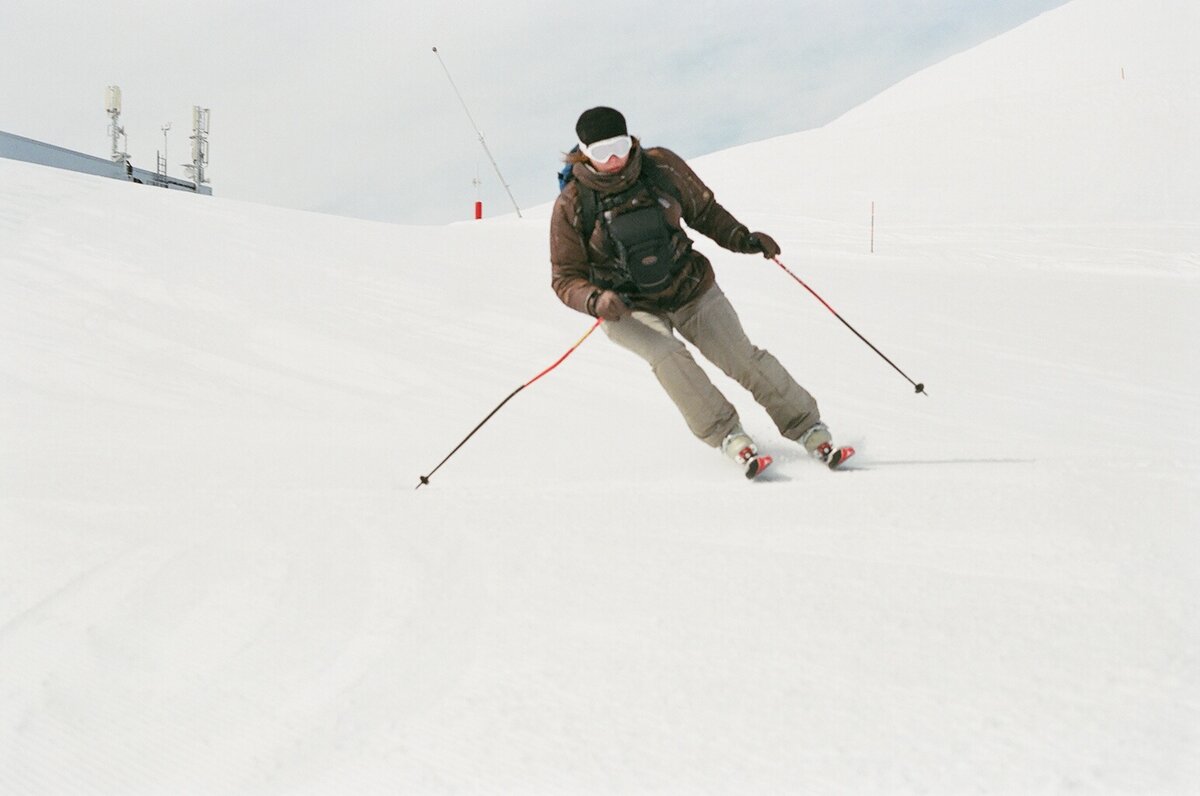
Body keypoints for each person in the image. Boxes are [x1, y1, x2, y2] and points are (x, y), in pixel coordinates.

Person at [550, 106, 838, 474]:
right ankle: (728, 435)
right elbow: (565, 277)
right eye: (601, 152)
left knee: (739, 356)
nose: (613, 160)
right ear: (583, 153)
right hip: (625, 307)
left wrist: (742, 238)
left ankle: (808, 428)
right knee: (667, 355)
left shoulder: (659, 167)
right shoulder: (573, 203)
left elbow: (704, 211)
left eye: (619, 147)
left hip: (688, 286)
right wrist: (595, 299)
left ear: (631, 141)